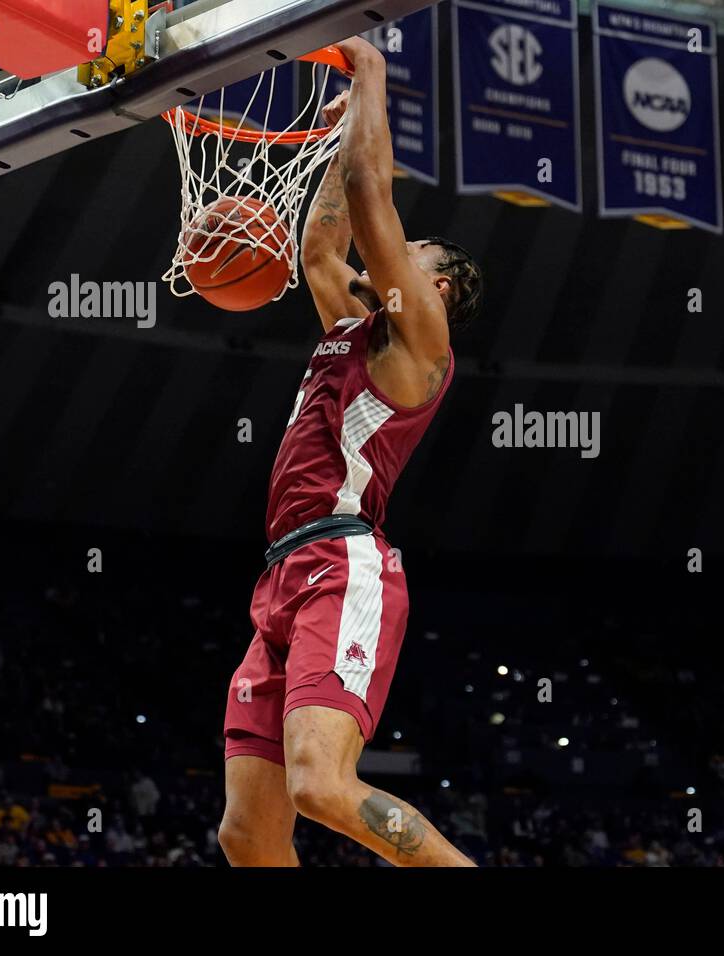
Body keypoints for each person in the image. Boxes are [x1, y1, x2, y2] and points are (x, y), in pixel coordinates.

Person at [218, 36, 482, 867]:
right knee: (247, 832)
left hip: (344, 561)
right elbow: (321, 251)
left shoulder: (420, 344)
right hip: (280, 576)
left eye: (413, 255)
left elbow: (372, 201)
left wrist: (366, 73)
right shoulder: (349, 329)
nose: (391, 260)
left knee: (320, 787)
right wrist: (334, 143)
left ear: (434, 287)